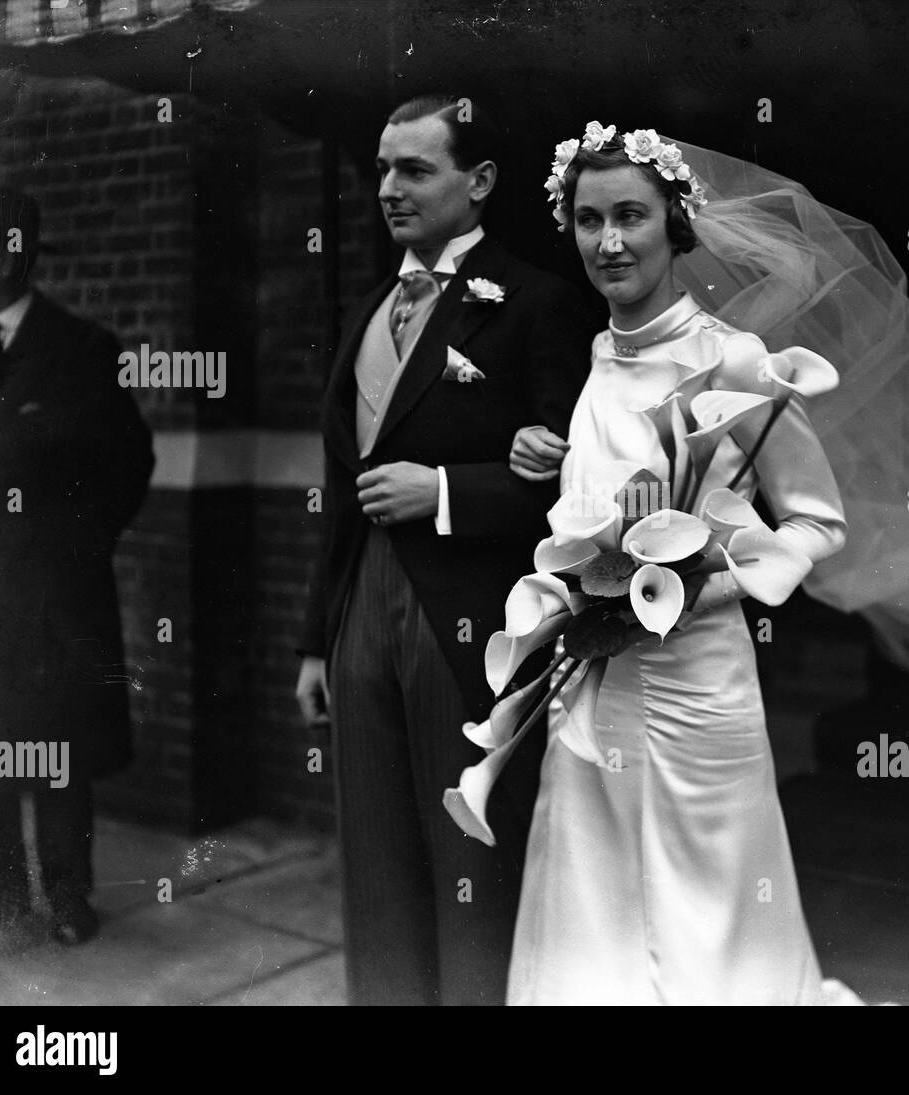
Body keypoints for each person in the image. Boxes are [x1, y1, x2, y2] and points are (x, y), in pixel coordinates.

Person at [500, 126, 860, 1004]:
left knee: (711, 917)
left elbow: (818, 521)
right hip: (594, 681)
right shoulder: (595, 361)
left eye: (631, 215)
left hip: (699, 682)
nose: (609, 242)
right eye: (589, 220)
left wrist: (712, 580)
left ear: (675, 222)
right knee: (595, 909)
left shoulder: (730, 357)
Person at [294, 95, 591, 1006]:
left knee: (470, 855)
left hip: (471, 618)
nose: (390, 188)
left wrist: (448, 490)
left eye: (415, 169)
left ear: (480, 183)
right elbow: (343, 487)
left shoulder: (536, 301)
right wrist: (317, 640)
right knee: (375, 855)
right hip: (362, 617)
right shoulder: (369, 308)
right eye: (384, 168)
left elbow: (580, 486)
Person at [0, 183, 154, 949]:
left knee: (56, 749)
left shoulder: (81, 350)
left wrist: (76, 549)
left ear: (10, 255)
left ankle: (68, 893)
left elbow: (129, 461)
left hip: (51, 593)